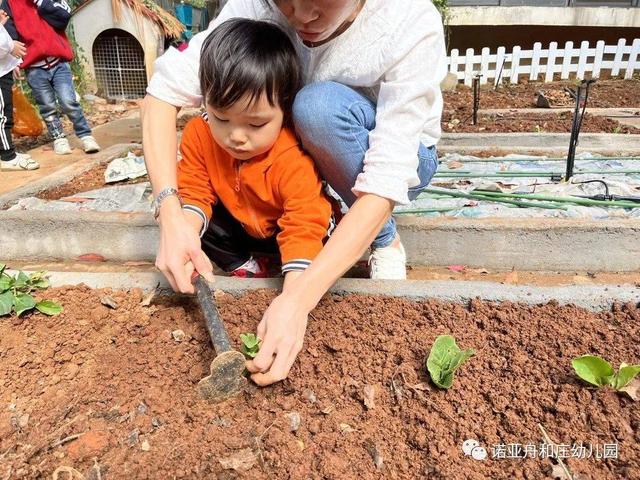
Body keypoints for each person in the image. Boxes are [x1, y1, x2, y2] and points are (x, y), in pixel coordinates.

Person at [142, 0, 447, 385]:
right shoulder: (252, 9)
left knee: (317, 109)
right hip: (303, 145)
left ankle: (384, 238)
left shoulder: (407, 20)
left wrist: (298, 299)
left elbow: (385, 178)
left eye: (320, 0)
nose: (301, 16)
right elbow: (163, 94)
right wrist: (171, 215)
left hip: (400, 157)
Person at [176, 18, 333, 282]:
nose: (236, 137)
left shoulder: (291, 157)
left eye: (256, 124)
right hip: (242, 227)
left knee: (316, 243)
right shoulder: (199, 135)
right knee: (185, 216)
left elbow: (303, 222)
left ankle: (290, 265)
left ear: (285, 112)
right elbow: (194, 190)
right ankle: (244, 263)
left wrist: (294, 295)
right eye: (221, 118)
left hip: (288, 231)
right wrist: (185, 237)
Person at [9, 0, 100, 155]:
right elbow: (9, 35)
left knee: (69, 101)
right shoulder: (10, 4)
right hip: (34, 68)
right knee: (47, 106)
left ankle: (85, 136)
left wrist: (41, 3)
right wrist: (14, 62)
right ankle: (59, 138)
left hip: (58, 63)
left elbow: (64, 17)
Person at [0, 5, 39, 170]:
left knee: (5, 113)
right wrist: (10, 47)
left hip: (3, 67)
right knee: (3, 116)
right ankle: (8, 156)